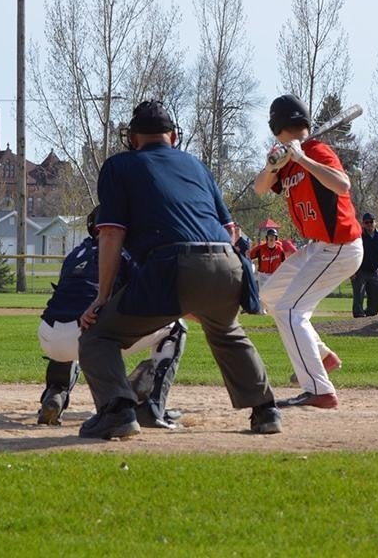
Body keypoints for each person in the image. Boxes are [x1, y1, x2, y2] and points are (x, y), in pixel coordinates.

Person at [76, 100, 281, 439]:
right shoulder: (196, 165)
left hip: (173, 265)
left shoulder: (120, 166)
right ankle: (266, 410)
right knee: (226, 331)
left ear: (133, 138)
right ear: (173, 135)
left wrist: (101, 297)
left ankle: (119, 411)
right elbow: (231, 232)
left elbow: (111, 232)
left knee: (98, 336)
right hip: (229, 265)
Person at [253, 94, 364, 410]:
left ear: (277, 125)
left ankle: (320, 391)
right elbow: (260, 188)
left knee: (290, 310)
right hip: (318, 247)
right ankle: (323, 356)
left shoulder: (315, 151)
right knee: (271, 295)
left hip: (340, 247)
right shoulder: (285, 162)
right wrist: (272, 165)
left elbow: (342, 185)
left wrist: (303, 159)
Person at [37, 206, 186, 429]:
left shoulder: (75, 253)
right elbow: (146, 295)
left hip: (47, 336)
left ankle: (56, 392)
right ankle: (153, 406)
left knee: (77, 319)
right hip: (87, 336)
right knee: (176, 327)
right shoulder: (128, 252)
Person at [351, 213, 378, 317]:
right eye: (366, 222)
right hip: (360, 270)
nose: (369, 224)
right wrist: (352, 271)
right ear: (363, 224)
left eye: (371, 222)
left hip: (375, 270)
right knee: (359, 292)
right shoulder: (358, 236)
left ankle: (371, 312)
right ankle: (358, 314)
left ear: (375, 222)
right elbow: (352, 254)